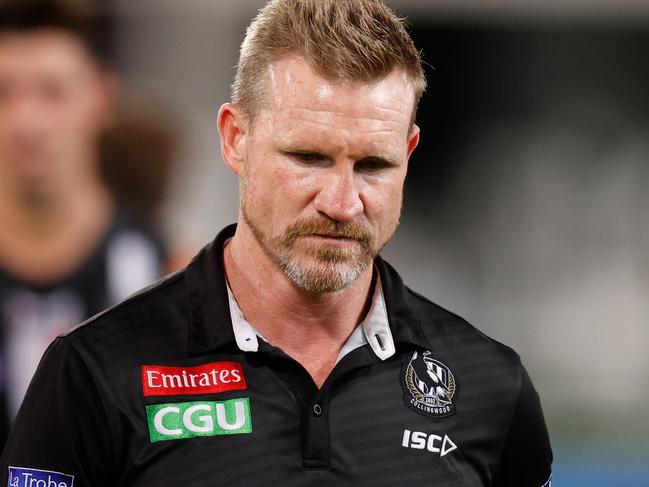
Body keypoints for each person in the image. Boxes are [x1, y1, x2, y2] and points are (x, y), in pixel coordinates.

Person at [0, 0, 553, 485]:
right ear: (235, 139)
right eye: (308, 158)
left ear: (408, 153)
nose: (342, 202)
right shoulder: (93, 373)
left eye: (373, 165)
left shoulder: (490, 389)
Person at [0, 0, 166, 446]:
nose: (25, 121)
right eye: (4, 92)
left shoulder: (169, 274)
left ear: (100, 96)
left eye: (52, 92)